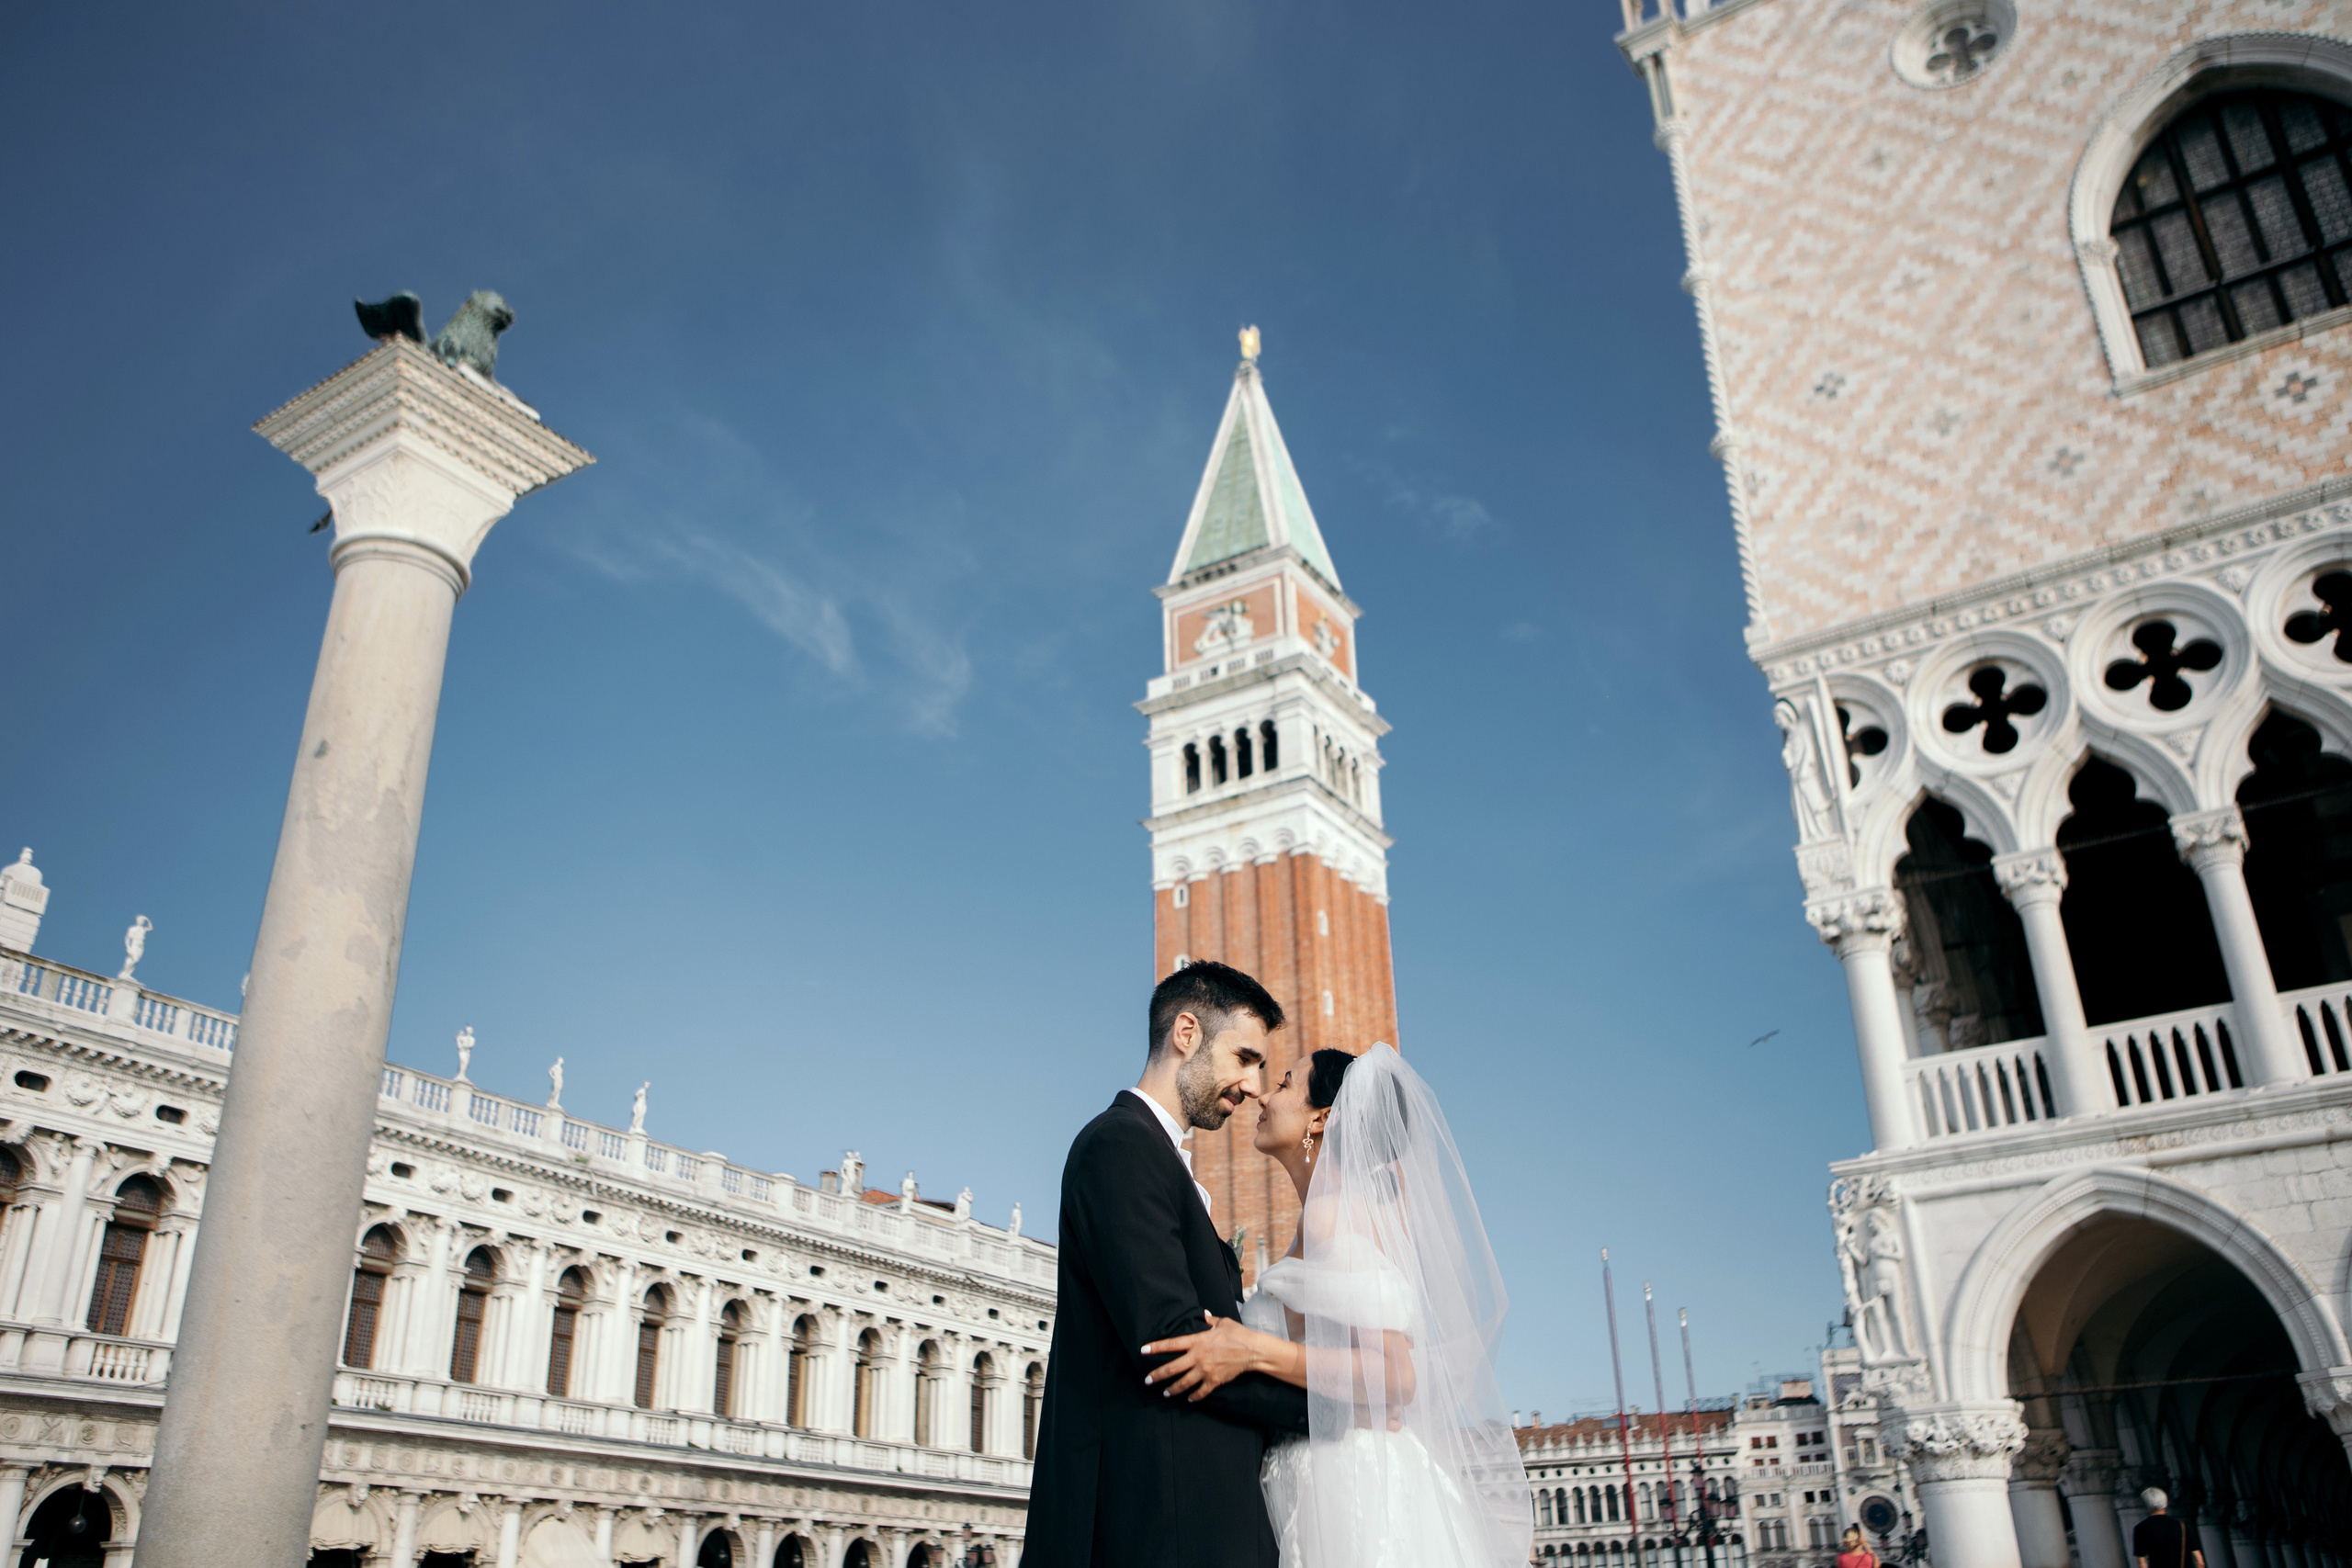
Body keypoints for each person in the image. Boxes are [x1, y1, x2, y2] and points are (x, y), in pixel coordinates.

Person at [1142, 1043, 1532, 1568]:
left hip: (1348, 1493)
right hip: (1326, 1481)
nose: (1262, 1096)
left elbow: (1395, 1376)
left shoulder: (1332, 1217)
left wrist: (1252, 1350)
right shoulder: (1326, 1215)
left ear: (1322, 1118)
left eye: (1283, 1085)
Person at [1024, 960, 1309, 1568]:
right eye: (1244, 1057)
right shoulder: (1119, 1144)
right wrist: (1330, 1408)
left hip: (1186, 1526)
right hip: (1151, 1528)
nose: (1253, 1085)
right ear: (1186, 1033)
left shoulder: (1155, 1157)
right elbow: (1172, 1341)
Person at [2133, 1488, 2203, 1568]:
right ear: (2165, 1503)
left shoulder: (2140, 1529)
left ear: (2147, 1505)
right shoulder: (2182, 1526)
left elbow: (2142, 1564)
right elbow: (2199, 1560)